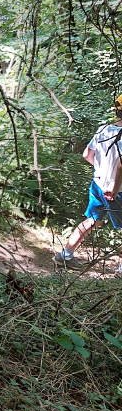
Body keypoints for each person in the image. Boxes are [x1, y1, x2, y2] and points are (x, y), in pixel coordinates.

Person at [53, 94, 122, 277]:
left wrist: (102, 171)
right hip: (117, 191)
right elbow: (121, 166)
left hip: (98, 184)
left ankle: (65, 255)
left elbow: (86, 155)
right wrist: (114, 189)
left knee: (92, 220)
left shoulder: (103, 130)